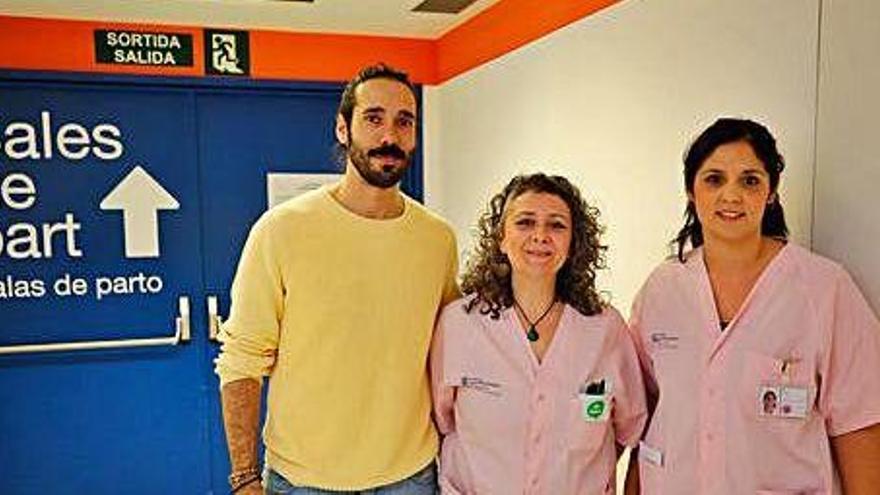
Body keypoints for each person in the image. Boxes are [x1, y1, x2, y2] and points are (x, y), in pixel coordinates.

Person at [214, 63, 459, 495]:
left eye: (405, 121)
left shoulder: (436, 240)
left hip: (411, 478)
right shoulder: (282, 230)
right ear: (343, 129)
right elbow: (242, 359)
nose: (390, 136)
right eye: (373, 118)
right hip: (302, 481)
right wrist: (245, 478)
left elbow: (453, 349)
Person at [625, 118, 880, 494]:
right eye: (714, 179)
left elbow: (860, 425)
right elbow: (648, 413)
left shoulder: (824, 289)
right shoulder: (662, 289)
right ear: (691, 192)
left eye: (750, 180)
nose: (731, 195)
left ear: (772, 192)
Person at [431, 173, 647, 494]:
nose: (541, 235)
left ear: (574, 244)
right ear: (501, 238)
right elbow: (443, 420)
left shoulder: (605, 329)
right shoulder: (459, 324)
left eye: (557, 225)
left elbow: (628, 427)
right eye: (525, 222)